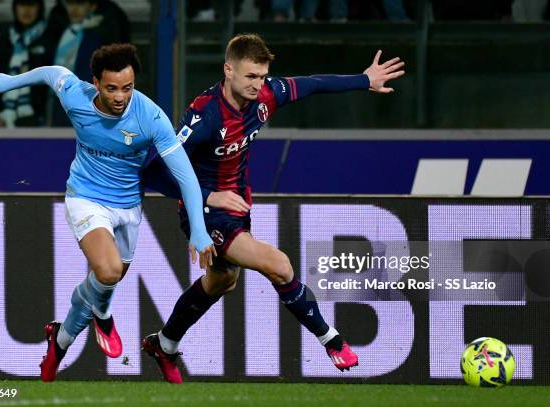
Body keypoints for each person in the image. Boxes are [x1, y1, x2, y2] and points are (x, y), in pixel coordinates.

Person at [141, 33, 405, 383]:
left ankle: (165, 343)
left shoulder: (265, 97)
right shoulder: (204, 116)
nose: (257, 84)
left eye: (262, 76)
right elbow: (155, 171)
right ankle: (333, 341)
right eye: (250, 76)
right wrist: (207, 196)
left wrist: (364, 80)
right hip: (206, 210)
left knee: (221, 281)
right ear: (228, 70)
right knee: (278, 265)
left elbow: (310, 85)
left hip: (237, 206)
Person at [0, 43, 216, 382]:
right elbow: (52, 74)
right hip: (86, 198)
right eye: (111, 88)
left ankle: (59, 340)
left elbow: (186, 177)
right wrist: (10, 81)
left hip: (129, 208)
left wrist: (199, 229)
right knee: (107, 272)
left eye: (128, 87)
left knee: (109, 277)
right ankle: (103, 314)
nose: (121, 96)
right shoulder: (76, 96)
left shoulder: (150, 116)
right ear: (96, 82)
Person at [0, 0, 56, 127]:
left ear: (39, 8)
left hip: (40, 121)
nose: (26, 11)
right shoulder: (4, 42)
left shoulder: (51, 40)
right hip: (5, 120)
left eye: (31, 5)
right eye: (22, 5)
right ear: (15, 8)